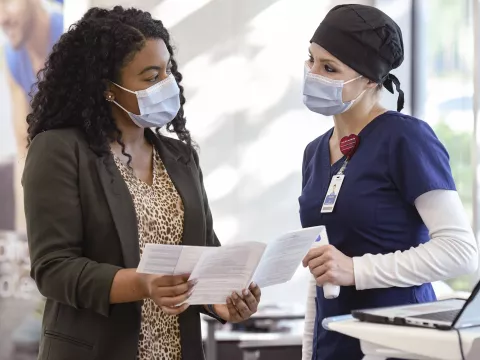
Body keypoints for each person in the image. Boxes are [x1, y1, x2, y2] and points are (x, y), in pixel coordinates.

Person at [22, 7, 261, 360]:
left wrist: (222, 301)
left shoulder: (180, 157)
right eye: (151, 77)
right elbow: (53, 268)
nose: (167, 84)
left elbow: (205, 250)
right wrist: (143, 283)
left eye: (168, 71)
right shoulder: (59, 150)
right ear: (107, 89)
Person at [299, 5, 478, 360]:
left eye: (329, 68)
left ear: (369, 79)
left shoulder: (405, 138)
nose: (312, 74)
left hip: (398, 343)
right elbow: (322, 269)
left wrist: (356, 269)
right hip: (334, 343)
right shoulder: (314, 152)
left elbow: (461, 253)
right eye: (311, 60)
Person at [0, 0, 63, 232]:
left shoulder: (71, 32)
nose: (2, 18)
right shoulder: (12, 59)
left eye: (8, 2)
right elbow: (23, 151)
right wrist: (23, 236)